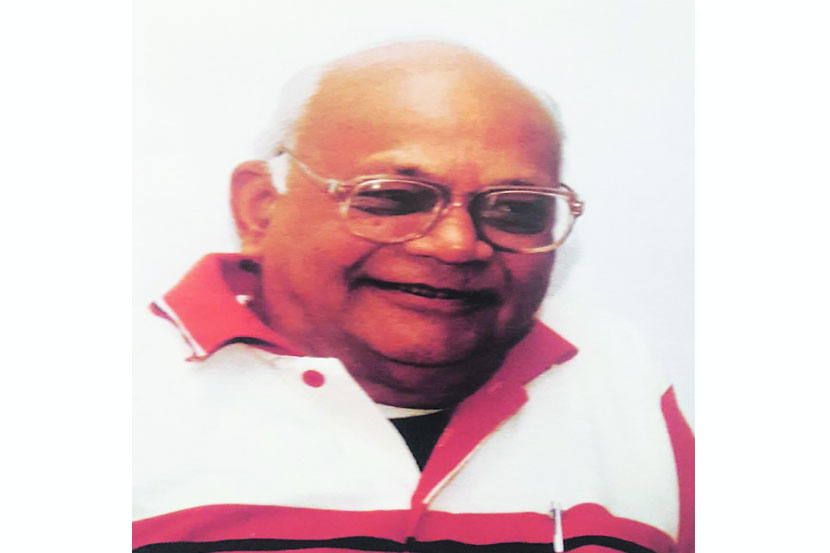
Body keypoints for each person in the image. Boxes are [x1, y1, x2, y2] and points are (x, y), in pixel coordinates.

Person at [133, 42, 693, 553]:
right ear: (260, 209)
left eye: (514, 209)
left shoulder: (615, 377)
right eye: (394, 198)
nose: (457, 245)